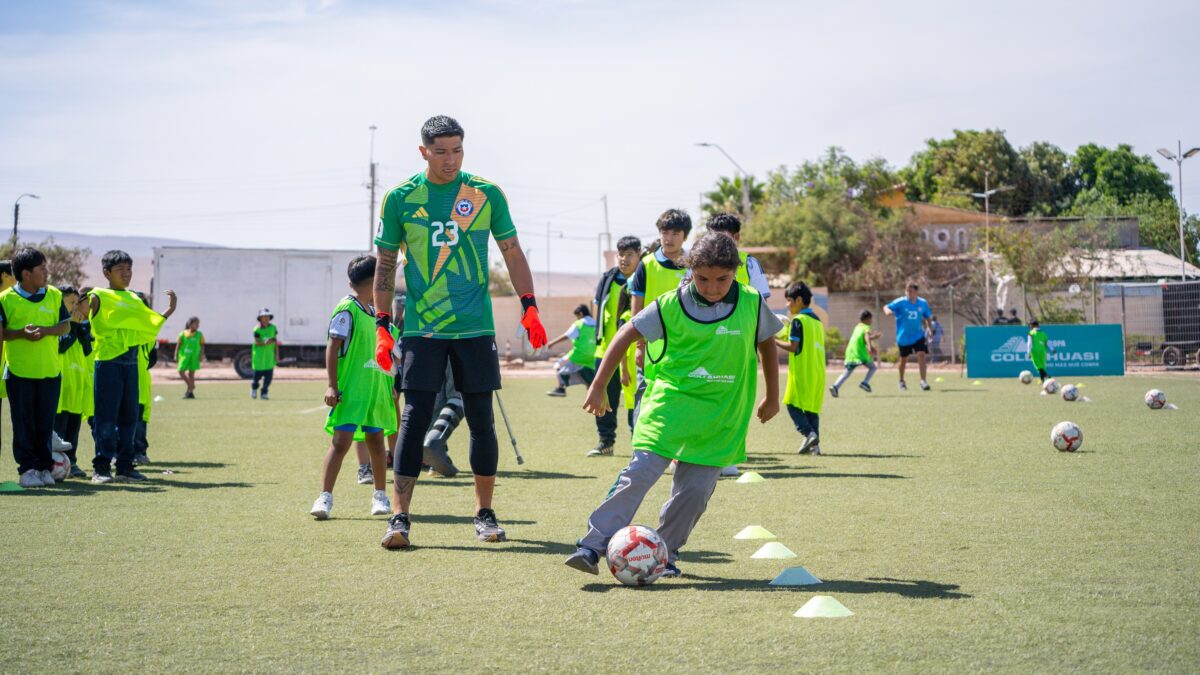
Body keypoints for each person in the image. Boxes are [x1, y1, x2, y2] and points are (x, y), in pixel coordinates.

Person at [564, 232, 781, 577]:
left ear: (736, 272)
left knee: (693, 494)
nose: (712, 287)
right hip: (668, 408)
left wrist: (773, 394)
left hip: (719, 418)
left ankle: (663, 554)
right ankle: (591, 546)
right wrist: (598, 384)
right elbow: (625, 335)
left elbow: (767, 343)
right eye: (703, 278)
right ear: (690, 270)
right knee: (638, 475)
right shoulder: (670, 304)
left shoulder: (752, 303)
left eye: (722, 279)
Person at [373, 115, 545, 549]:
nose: (451, 160)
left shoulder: (485, 193)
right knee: (413, 420)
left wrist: (529, 306)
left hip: (474, 327)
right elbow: (385, 266)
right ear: (423, 151)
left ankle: (484, 513)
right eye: (441, 151)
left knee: (481, 419)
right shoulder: (399, 198)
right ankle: (399, 517)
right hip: (423, 328)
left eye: (458, 150)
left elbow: (512, 252)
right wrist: (381, 326)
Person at [310, 255, 396, 520]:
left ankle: (380, 496)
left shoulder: (375, 312)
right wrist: (331, 386)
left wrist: (389, 382)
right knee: (340, 442)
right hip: (352, 389)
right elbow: (333, 346)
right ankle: (324, 497)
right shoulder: (347, 308)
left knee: (376, 442)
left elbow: (384, 353)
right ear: (374, 281)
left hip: (374, 388)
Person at [87, 250, 175, 483]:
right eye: (120, 270)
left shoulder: (135, 298)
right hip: (107, 363)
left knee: (130, 418)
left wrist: (169, 311)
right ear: (106, 273)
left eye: (129, 269)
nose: (126, 274)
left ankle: (125, 467)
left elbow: (149, 324)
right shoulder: (99, 296)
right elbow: (82, 314)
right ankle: (102, 468)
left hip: (131, 363)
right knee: (105, 419)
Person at [0, 248, 77, 487]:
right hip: (19, 373)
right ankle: (27, 470)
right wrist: (21, 334)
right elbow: (2, 333)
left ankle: (44, 468)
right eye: (42, 269)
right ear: (26, 273)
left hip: (50, 372)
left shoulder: (53, 295)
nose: (47, 272)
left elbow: (65, 327)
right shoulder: (6, 299)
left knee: (45, 425)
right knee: (23, 424)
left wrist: (45, 331)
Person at [627, 209, 691, 420]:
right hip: (651, 346)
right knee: (645, 395)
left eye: (675, 233)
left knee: (684, 398)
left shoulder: (694, 265)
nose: (669, 238)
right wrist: (639, 346)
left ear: (685, 236)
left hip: (685, 346)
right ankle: (640, 448)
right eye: (665, 232)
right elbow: (636, 309)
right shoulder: (646, 265)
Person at [585, 235, 642, 457]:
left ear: (639, 255)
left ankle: (639, 445)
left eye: (629, 254)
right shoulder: (607, 279)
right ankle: (605, 442)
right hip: (605, 349)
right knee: (604, 396)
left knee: (634, 398)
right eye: (621, 254)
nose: (624, 259)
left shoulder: (641, 280)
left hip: (632, 351)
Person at [776, 282, 826, 455]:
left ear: (798, 300)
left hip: (802, 372)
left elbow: (793, 346)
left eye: (789, 300)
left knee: (791, 404)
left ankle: (808, 433)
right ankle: (815, 447)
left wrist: (772, 340)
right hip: (818, 372)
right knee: (811, 408)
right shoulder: (817, 321)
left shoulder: (798, 321)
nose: (787, 305)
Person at [55, 285, 93, 477]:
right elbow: (61, 347)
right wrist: (73, 326)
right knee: (59, 427)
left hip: (78, 384)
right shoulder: (58, 323)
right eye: (71, 302)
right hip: (62, 385)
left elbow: (87, 350)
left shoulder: (80, 324)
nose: (75, 307)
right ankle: (57, 462)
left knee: (74, 426)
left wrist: (81, 329)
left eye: (77, 302)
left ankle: (73, 462)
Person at [884, 282, 933, 391]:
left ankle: (923, 381)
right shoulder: (901, 302)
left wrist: (929, 328)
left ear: (916, 292)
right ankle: (901, 381)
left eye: (910, 291)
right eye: (906, 290)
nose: (908, 293)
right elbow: (886, 307)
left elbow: (928, 316)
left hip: (918, 335)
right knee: (904, 359)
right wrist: (888, 311)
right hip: (904, 337)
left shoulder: (923, 303)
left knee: (921, 354)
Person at [544, 304, 597, 397]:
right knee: (587, 374)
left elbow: (567, 336)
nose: (577, 319)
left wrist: (552, 343)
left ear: (580, 314)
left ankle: (561, 388)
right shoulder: (596, 324)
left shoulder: (579, 324)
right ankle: (592, 394)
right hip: (592, 356)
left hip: (578, 355)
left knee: (558, 365)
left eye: (577, 316)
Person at [829, 309, 878, 397]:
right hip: (859, 353)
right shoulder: (866, 327)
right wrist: (870, 348)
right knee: (873, 367)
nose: (871, 321)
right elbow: (866, 337)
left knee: (847, 372)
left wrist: (872, 338)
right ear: (867, 319)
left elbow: (862, 338)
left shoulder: (858, 327)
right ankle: (865, 383)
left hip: (851, 352)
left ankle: (835, 386)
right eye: (871, 319)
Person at [251, 308, 278, 400]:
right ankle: (254, 389)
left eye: (267, 316)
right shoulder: (257, 329)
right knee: (256, 379)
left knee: (268, 379)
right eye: (264, 316)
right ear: (260, 318)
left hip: (269, 358)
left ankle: (264, 393)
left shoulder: (273, 328)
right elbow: (257, 342)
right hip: (259, 358)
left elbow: (275, 341)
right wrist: (265, 342)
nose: (266, 318)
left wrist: (276, 354)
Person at [175, 317, 203, 399]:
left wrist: (201, 355)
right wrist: (175, 354)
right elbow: (178, 345)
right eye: (196, 323)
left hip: (194, 357)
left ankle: (190, 392)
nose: (198, 325)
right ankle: (191, 385)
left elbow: (202, 346)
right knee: (181, 371)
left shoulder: (199, 334)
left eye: (198, 323)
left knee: (191, 374)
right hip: (184, 356)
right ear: (190, 324)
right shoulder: (183, 334)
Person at [1027, 320, 1054, 384]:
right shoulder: (1043, 333)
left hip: (1034, 351)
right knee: (1042, 366)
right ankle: (1043, 380)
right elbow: (1048, 342)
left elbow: (1029, 343)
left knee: (1038, 366)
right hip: (1043, 351)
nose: (1029, 327)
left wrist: (1028, 352)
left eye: (1030, 325)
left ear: (1032, 326)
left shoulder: (1031, 333)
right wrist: (1052, 349)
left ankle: (1046, 376)